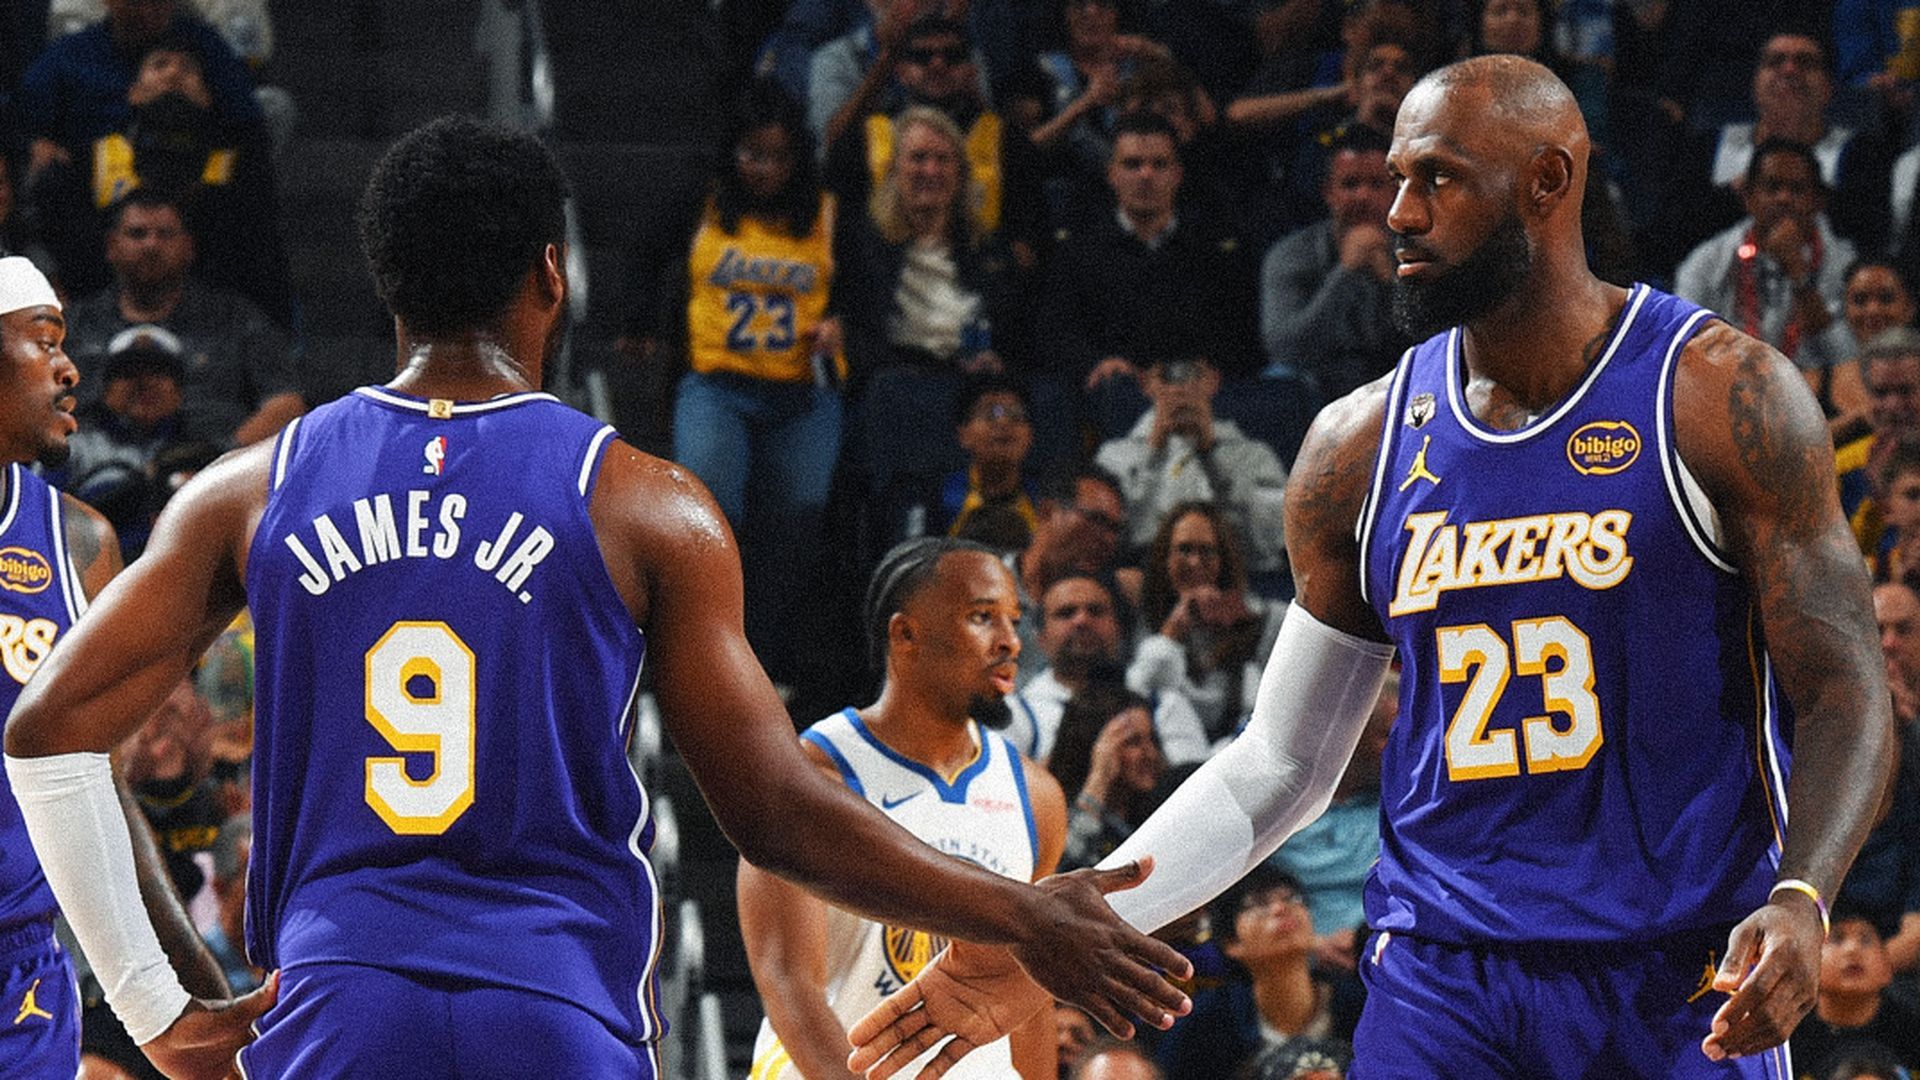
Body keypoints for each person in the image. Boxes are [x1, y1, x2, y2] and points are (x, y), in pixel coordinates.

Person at [1, 117, 1191, 1080]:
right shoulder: (643, 503)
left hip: (334, 1005)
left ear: (388, 285)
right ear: (551, 275)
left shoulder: (250, 490)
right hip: (557, 1007)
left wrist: (157, 1007)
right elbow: (773, 810)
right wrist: (1019, 914)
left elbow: (47, 735)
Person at [850, 55, 1892, 1079]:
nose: (1397, 211)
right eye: (1395, 177)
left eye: (1438, 178)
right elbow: (1280, 766)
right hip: (1441, 976)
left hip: (1675, 973)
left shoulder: (1716, 396)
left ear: (1547, 182)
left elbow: (1847, 691)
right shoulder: (1359, 444)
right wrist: (1069, 928)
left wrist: (1803, 896)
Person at [0, 254, 225, 1078]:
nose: (69, 370)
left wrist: (187, 986)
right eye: (43, 341)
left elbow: (97, 783)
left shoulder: (79, 542)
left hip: (22, 967)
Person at [739, 538, 1065, 1079]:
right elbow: (788, 980)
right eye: (982, 617)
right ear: (905, 634)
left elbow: (1028, 990)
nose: (1010, 641)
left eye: (1013, 619)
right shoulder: (810, 776)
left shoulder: (1036, 795)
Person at [60, 188, 301, 449]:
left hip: (211, 468)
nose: (151, 245)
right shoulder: (71, 326)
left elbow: (286, 404)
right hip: (87, 474)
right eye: (137, 234)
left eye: (165, 234)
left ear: (188, 246)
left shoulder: (235, 319)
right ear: (111, 246)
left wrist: (215, 465)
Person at [1091, 356, 1289, 579]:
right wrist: (1152, 455)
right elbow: (1112, 542)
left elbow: (1270, 548)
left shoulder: (1255, 456)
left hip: (1234, 579)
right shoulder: (1113, 456)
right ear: (1146, 383)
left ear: (1212, 381)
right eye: (1167, 376)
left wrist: (1213, 461)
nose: (1181, 388)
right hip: (1144, 578)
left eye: (1193, 374)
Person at [1128, 500, 1285, 742]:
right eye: (1184, 549)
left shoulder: (1263, 621)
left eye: (1206, 551)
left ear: (1223, 560)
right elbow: (1135, 698)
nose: (1194, 562)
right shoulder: (1146, 619)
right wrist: (1172, 632)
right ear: (1165, 558)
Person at [1014, 572, 1208, 765]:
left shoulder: (1165, 705)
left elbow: (1196, 786)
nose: (1082, 620)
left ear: (1118, 629)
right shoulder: (1018, 713)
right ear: (1040, 638)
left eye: (1096, 611)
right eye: (1066, 613)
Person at [1787, 905, 1920, 1076]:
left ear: (1887, 968)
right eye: (1836, 939)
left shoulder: (1912, 1025)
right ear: (1810, 964)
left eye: (1866, 940)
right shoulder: (1787, 1031)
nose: (1852, 949)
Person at [1046, 682, 1165, 872]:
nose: (1150, 754)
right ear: (1097, 749)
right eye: (1133, 742)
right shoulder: (1052, 812)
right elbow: (1059, 874)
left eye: (1151, 739)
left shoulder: (1156, 810)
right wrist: (1099, 779)